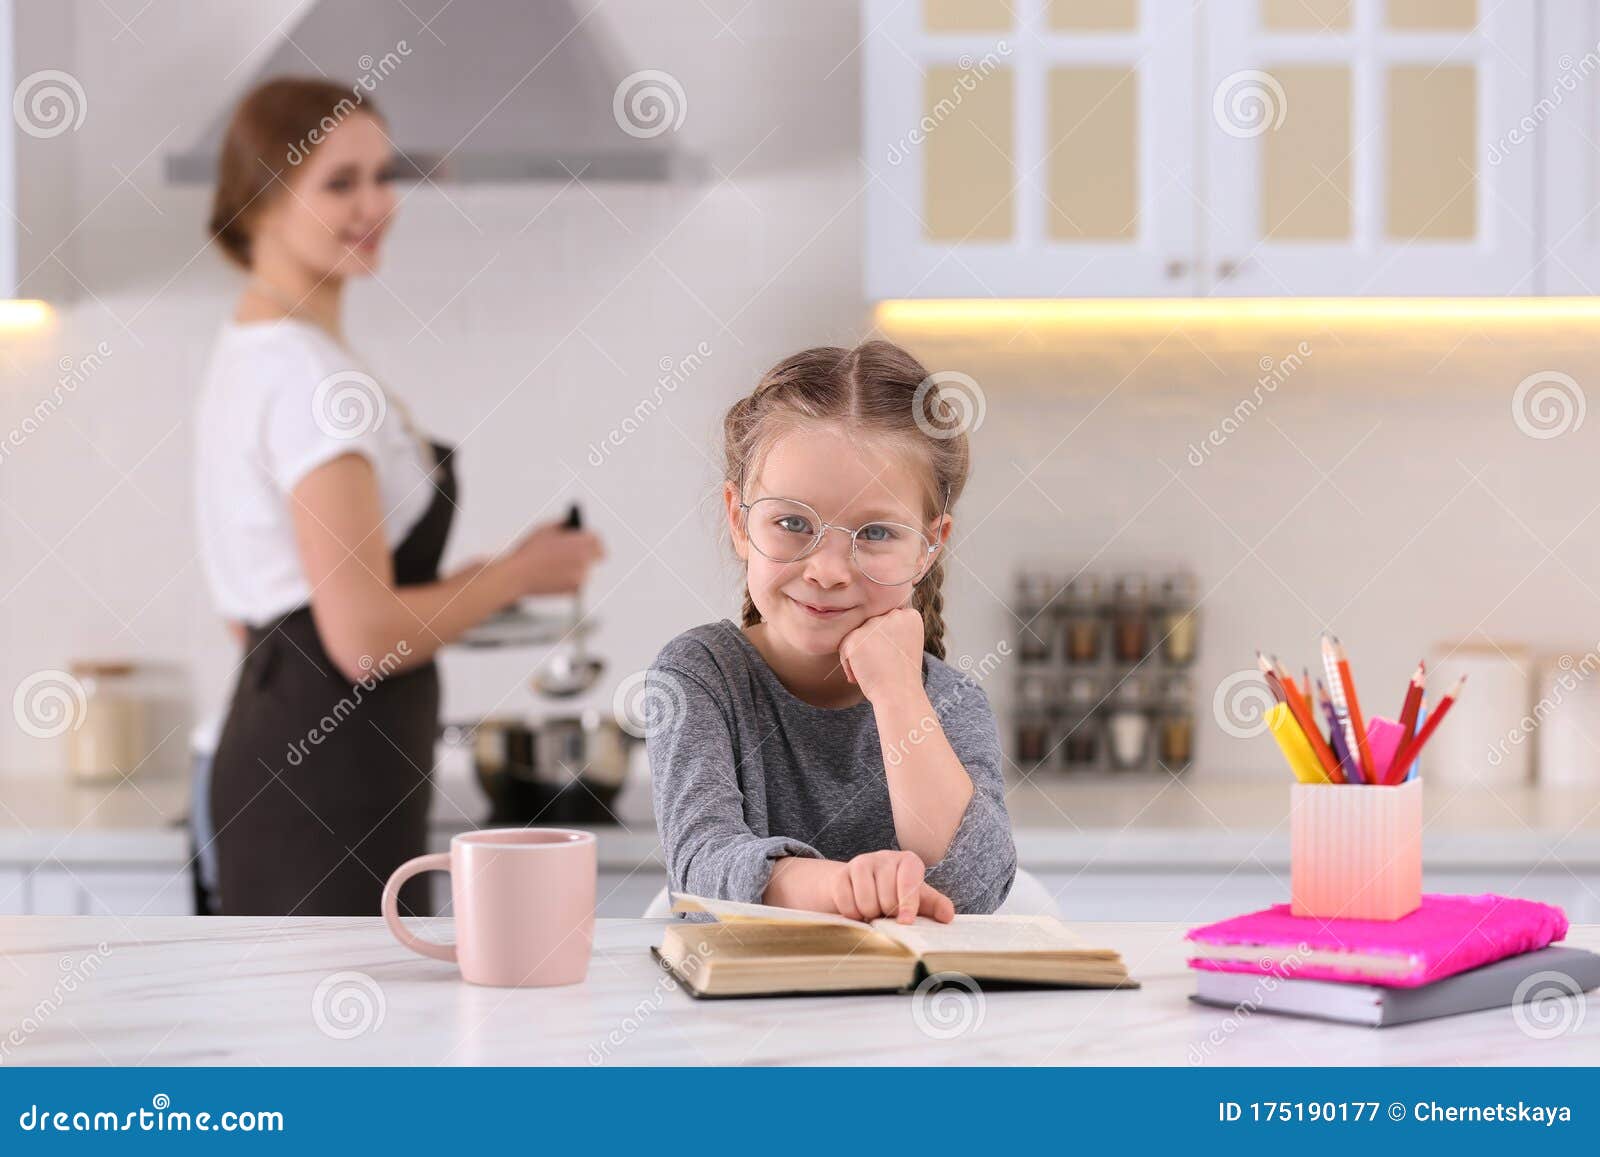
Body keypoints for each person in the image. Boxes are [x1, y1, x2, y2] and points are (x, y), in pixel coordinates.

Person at [195, 78, 603, 916]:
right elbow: (361, 638)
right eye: (339, 182)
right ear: (264, 197)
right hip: (326, 776)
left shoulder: (259, 349)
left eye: (384, 176)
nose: (376, 203)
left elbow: (262, 615)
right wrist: (518, 574)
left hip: (291, 748)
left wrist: (477, 580)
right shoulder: (309, 378)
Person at [647, 340, 1015, 923]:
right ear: (739, 523)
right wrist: (841, 889)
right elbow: (702, 867)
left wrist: (898, 695)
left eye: (874, 533)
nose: (827, 571)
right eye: (793, 523)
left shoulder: (948, 703)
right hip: (743, 1013)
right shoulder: (701, 675)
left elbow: (974, 887)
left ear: (930, 545)